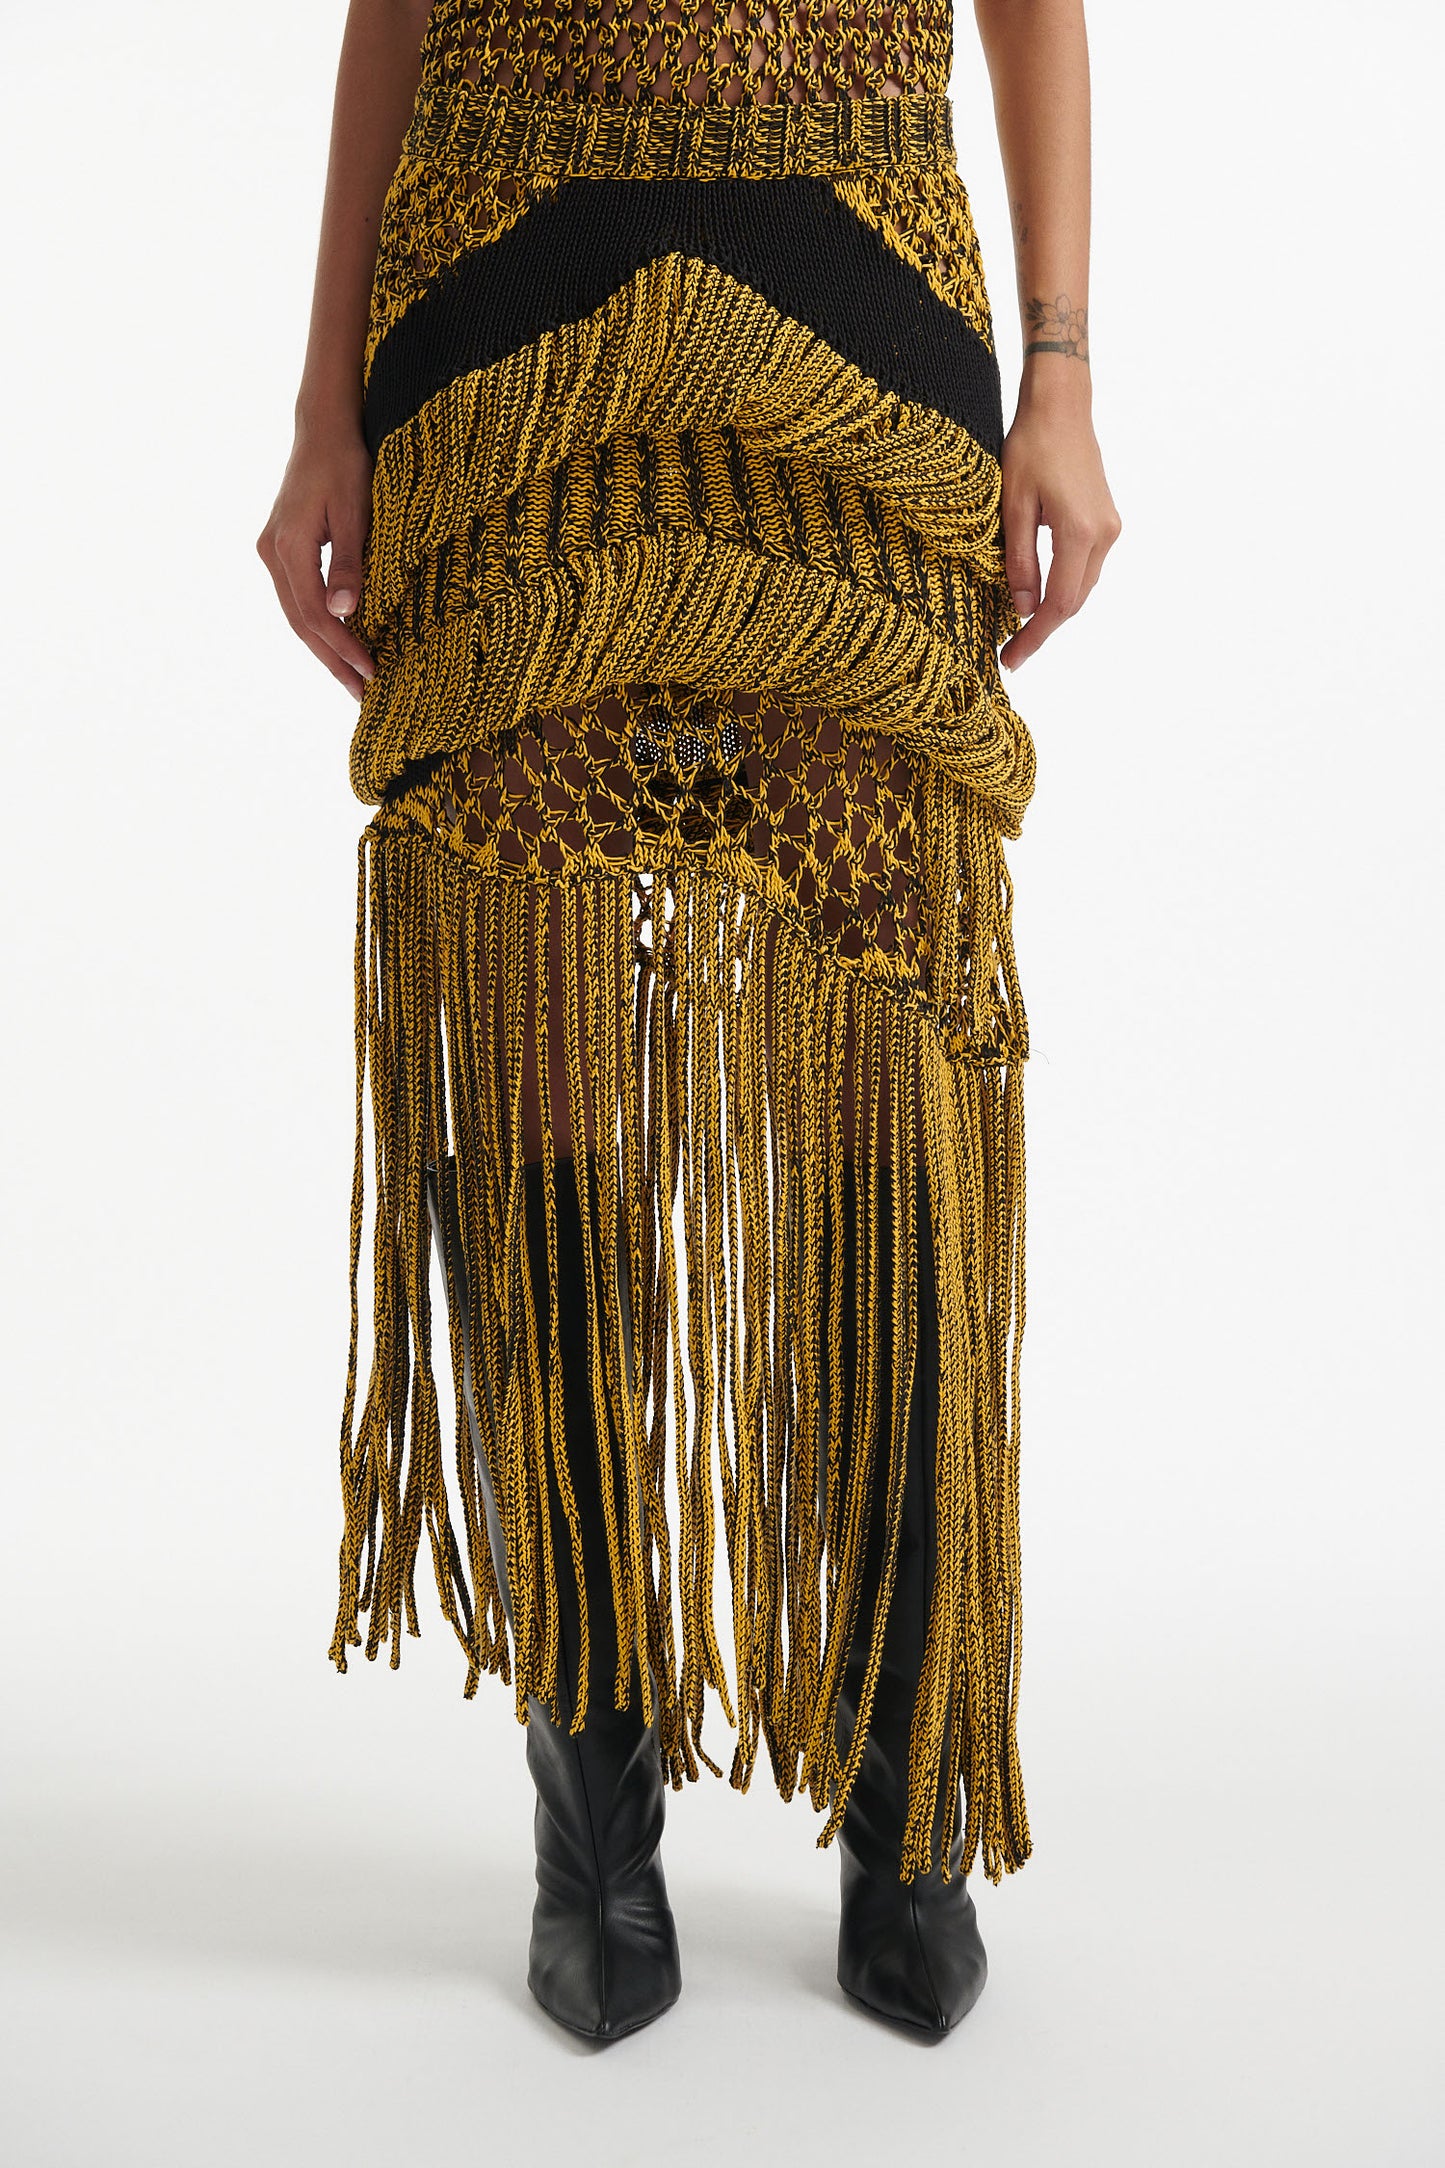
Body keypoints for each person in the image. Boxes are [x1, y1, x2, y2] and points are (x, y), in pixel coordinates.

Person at [257, 0, 1120, 2044]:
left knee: (887, 1042)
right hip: (496, 302)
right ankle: (592, 1816)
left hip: (858, 286)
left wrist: (1065, 372)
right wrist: (321, 404)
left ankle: (908, 1809)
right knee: (534, 1031)